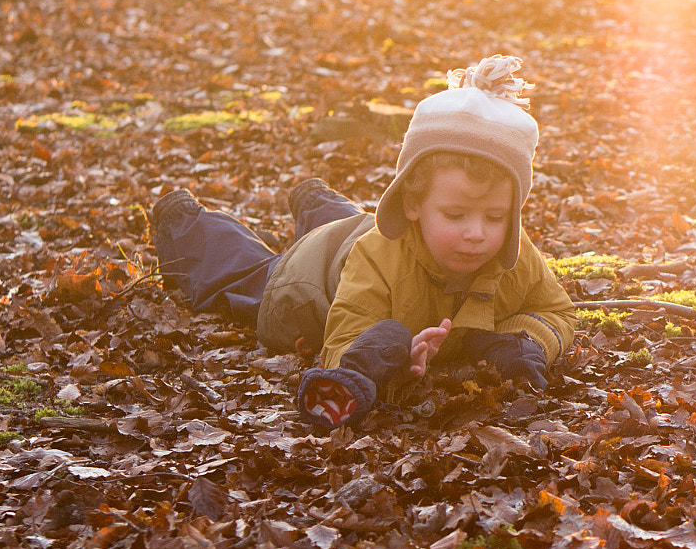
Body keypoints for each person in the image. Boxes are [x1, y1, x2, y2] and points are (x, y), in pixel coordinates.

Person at [149, 55, 578, 431]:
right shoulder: (375, 260)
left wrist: (524, 340)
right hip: (311, 276)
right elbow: (341, 342)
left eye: (495, 216)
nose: (476, 233)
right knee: (252, 274)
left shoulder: (511, 253)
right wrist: (387, 356)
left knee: (354, 225)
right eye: (455, 215)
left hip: (360, 230)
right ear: (411, 204)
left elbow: (555, 309)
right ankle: (187, 224)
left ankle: (316, 203)